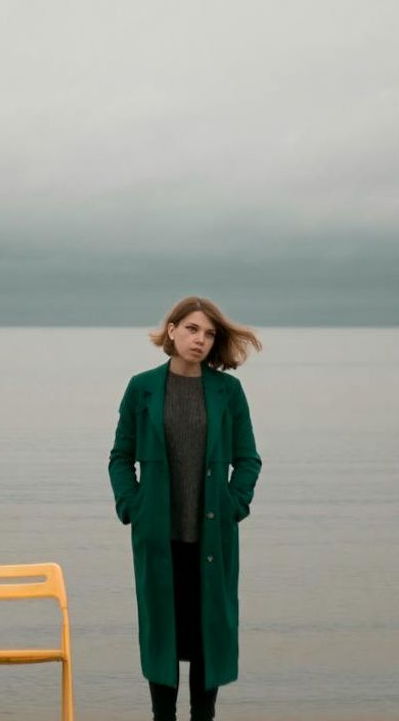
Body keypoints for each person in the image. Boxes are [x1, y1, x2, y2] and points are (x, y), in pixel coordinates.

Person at [108, 296, 262, 721]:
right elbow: (120, 457)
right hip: (159, 537)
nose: (201, 340)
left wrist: (234, 504)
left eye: (209, 334)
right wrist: (132, 505)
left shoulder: (228, 391)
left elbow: (248, 459)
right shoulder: (142, 387)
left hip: (212, 539)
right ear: (172, 330)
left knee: (209, 634)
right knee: (163, 634)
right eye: (192, 329)